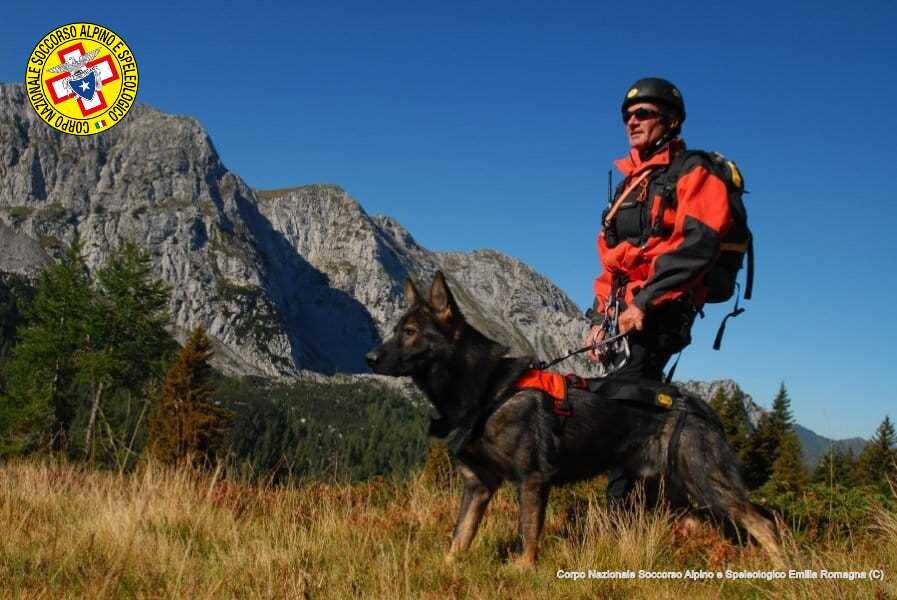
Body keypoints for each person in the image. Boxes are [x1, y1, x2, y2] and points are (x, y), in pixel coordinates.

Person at [584, 78, 733, 381]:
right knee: (602, 401)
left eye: (643, 113)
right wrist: (599, 319)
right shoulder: (630, 185)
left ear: (672, 120)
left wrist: (643, 302)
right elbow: (611, 263)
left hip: (660, 311)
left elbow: (698, 245)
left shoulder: (694, 170)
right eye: (627, 116)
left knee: (622, 400)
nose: (632, 122)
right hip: (622, 314)